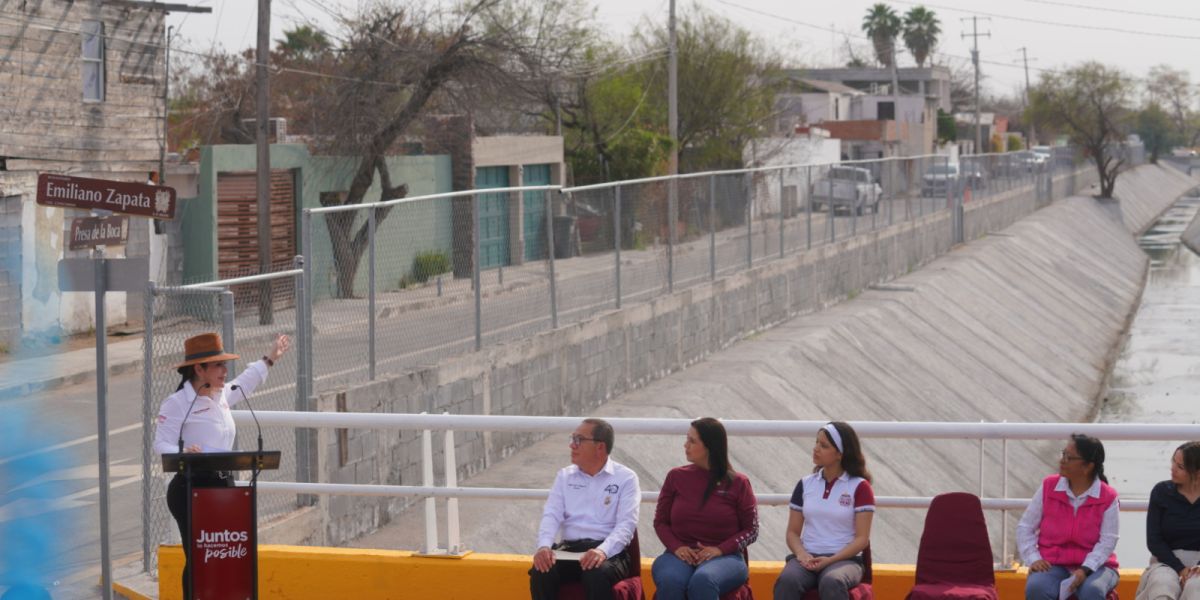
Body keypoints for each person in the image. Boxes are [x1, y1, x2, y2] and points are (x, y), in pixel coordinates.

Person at [153, 332, 290, 598]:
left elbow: (245, 382)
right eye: (218, 365)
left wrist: (270, 358)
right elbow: (161, 444)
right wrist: (183, 452)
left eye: (224, 365)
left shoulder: (222, 395)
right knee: (198, 557)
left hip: (223, 489)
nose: (225, 371)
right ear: (198, 369)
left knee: (223, 555)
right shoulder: (177, 403)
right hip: (190, 488)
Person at [530, 418, 641, 600]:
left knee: (595, 573)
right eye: (572, 439)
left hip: (608, 553)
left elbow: (626, 525)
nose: (572, 445)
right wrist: (544, 546)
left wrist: (602, 551)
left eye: (579, 440)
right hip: (570, 550)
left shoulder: (626, 478)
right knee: (541, 569)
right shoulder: (564, 476)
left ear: (600, 447)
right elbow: (551, 515)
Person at [652, 417, 759, 600]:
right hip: (678, 556)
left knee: (704, 580)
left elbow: (752, 530)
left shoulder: (739, 483)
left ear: (710, 446)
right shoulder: (676, 477)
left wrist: (719, 550)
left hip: (726, 558)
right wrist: (678, 547)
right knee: (671, 580)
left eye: (692, 441)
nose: (686, 445)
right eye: (687, 439)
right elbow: (660, 522)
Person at [774, 422, 875, 600]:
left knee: (832, 581)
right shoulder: (805, 484)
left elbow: (862, 539)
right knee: (787, 580)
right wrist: (802, 554)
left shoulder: (860, 487)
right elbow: (793, 532)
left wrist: (830, 560)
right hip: (807, 557)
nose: (816, 449)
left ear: (840, 454)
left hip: (846, 560)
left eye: (824, 445)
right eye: (816, 443)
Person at [1016, 434, 1119, 600]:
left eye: (1068, 457)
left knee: (1091, 591)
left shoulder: (1108, 496)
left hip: (1097, 566)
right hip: (1054, 563)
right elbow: (1025, 527)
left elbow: (1108, 541)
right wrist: (1033, 558)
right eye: (1063, 454)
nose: (1062, 461)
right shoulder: (1049, 486)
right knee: (1037, 588)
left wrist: (1085, 569)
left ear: (1087, 467)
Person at [1136, 441, 1200, 600]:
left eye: (1180, 467)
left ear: (1197, 473)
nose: (1172, 468)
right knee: (1163, 585)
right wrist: (1180, 569)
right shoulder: (1161, 492)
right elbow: (1154, 540)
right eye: (1173, 462)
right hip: (1166, 562)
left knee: (1196, 588)